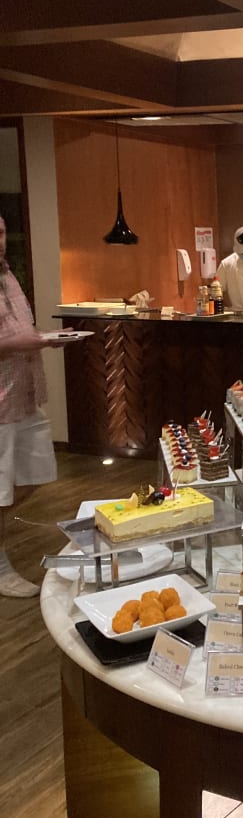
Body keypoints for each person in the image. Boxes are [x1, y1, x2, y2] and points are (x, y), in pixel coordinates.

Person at [0, 215, 61, 597]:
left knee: (36, 474)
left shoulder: (9, 276)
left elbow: (21, 331)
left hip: (24, 396)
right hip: (0, 405)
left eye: (1, 232)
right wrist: (19, 344)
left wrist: (44, 339)